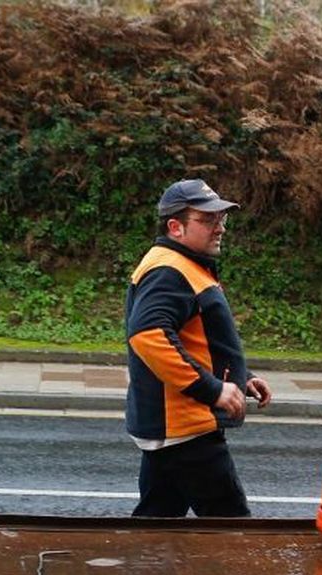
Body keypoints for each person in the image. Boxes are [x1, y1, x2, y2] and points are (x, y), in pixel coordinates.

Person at [123, 179, 272, 517]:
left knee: (158, 524)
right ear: (175, 227)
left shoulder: (183, 265)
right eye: (207, 220)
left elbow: (197, 337)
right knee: (230, 528)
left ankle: (141, 569)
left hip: (175, 428)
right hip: (186, 428)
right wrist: (212, 389)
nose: (219, 227)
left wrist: (240, 376)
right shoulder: (169, 270)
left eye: (221, 218)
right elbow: (149, 336)